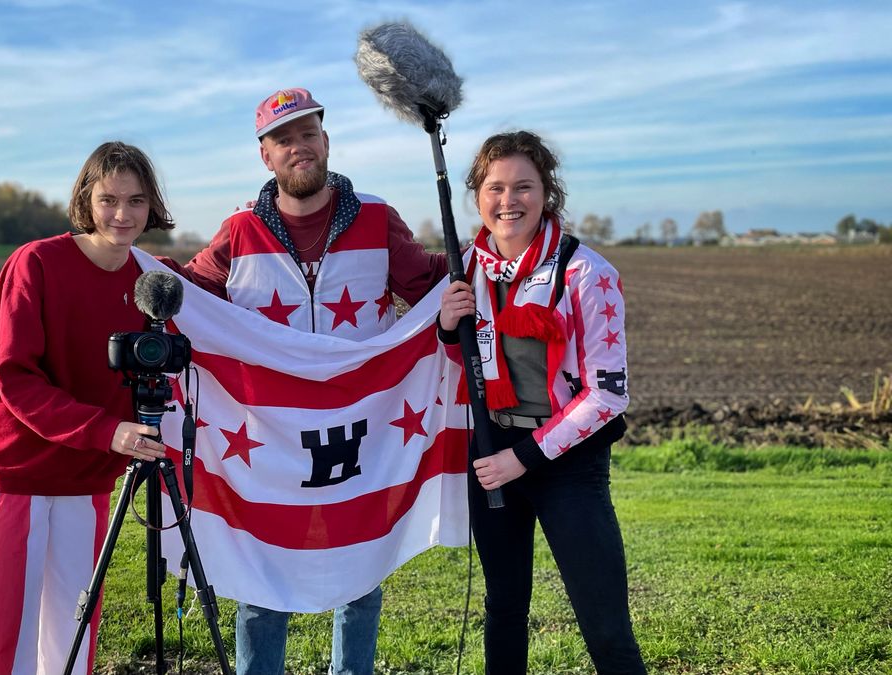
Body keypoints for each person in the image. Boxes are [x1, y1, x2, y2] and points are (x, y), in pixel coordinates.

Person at [179, 87, 450, 675]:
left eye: (308, 133)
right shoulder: (239, 231)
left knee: (361, 574)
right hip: (269, 442)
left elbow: (429, 284)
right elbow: (187, 294)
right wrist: (128, 271)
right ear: (265, 155)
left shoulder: (377, 218)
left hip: (362, 434)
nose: (298, 146)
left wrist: (489, 253)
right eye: (283, 139)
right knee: (263, 579)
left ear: (326, 141)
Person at [0, 141, 179, 675]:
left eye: (136, 200)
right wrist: (106, 431)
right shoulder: (36, 262)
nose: (122, 214)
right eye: (109, 200)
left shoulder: (149, 281)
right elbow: (15, 378)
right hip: (18, 472)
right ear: (86, 199)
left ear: (151, 204)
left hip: (87, 480)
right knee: (0, 643)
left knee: (73, 641)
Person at [438, 130, 646, 674]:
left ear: (547, 192)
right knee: (504, 608)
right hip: (491, 451)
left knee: (604, 624)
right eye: (495, 187)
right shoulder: (466, 269)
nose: (508, 200)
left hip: (567, 465)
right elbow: (471, 365)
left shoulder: (586, 272)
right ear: (477, 196)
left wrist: (524, 457)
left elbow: (607, 395)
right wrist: (447, 328)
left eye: (523, 186)